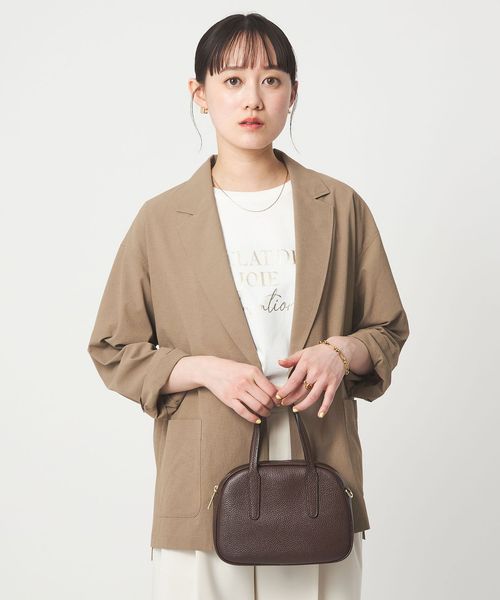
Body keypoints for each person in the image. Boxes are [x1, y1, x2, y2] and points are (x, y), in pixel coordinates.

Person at [87, 12, 410, 600]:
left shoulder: (340, 207)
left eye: (272, 79)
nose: (253, 98)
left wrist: (341, 352)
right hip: (202, 474)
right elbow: (113, 347)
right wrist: (204, 370)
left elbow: (386, 328)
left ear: (293, 92)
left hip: (319, 467)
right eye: (232, 80)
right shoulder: (162, 219)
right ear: (200, 93)